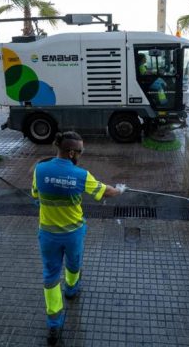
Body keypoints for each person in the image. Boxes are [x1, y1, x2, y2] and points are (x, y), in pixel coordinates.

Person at [32, 131, 125, 345]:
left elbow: (36, 195)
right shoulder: (81, 175)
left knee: (50, 275)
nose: (81, 155)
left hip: (48, 234)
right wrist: (119, 190)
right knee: (73, 264)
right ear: (72, 152)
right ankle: (72, 290)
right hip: (73, 233)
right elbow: (105, 192)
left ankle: (54, 324)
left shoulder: (40, 170)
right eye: (80, 151)